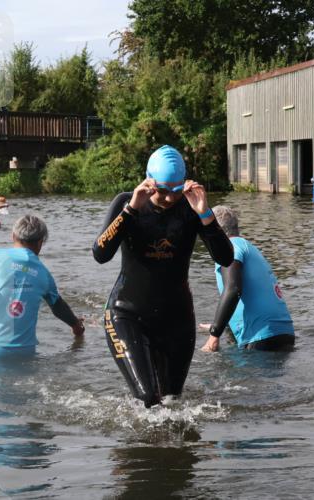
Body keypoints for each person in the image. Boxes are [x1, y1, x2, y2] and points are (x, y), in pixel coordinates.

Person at [92, 145, 234, 408]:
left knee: (172, 403)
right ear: (149, 182)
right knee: (148, 399)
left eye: (176, 190)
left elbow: (226, 257)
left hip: (176, 319)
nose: (169, 198)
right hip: (127, 314)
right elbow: (100, 253)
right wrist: (131, 210)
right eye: (163, 191)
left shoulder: (191, 208)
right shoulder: (126, 202)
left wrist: (205, 214)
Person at [0, 214, 85, 360]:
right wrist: (76, 326)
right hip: (24, 355)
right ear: (41, 242)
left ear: (13, 236)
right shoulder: (43, 273)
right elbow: (58, 306)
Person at [200, 205, 295, 352]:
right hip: (283, 333)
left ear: (215, 229)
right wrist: (218, 325)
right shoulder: (247, 246)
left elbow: (233, 289)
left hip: (261, 337)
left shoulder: (230, 247)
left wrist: (214, 335)